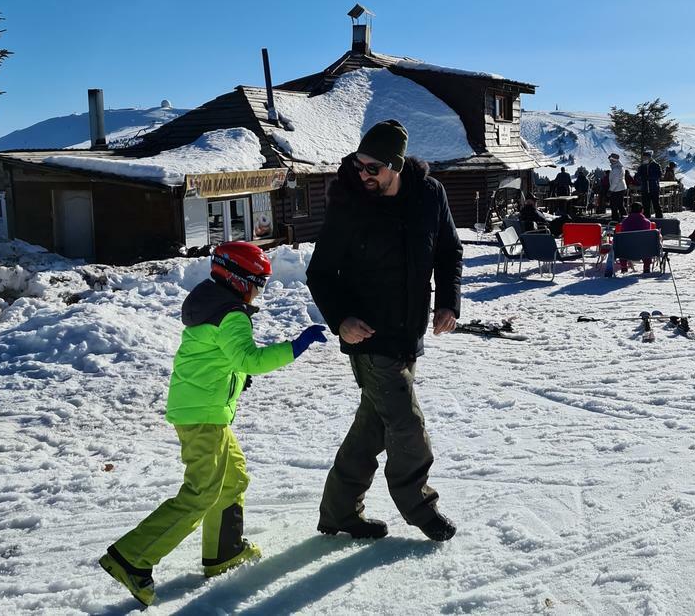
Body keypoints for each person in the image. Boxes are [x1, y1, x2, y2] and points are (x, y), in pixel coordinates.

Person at [99, 242, 328, 607]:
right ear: (237, 279)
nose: (259, 291)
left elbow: (216, 356)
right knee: (202, 491)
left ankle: (223, 552)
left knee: (233, 476)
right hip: (202, 416)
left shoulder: (211, 304)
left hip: (202, 411)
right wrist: (294, 347)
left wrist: (232, 373)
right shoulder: (231, 314)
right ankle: (131, 558)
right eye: (258, 282)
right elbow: (249, 358)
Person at [306, 119, 462, 543]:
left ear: (395, 166)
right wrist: (340, 319)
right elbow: (320, 273)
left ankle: (339, 512)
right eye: (359, 165)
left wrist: (449, 302)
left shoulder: (430, 195)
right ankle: (421, 508)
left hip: (408, 331)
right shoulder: (349, 202)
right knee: (407, 423)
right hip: (367, 336)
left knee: (372, 427)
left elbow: (449, 251)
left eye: (372, 168)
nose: (362, 174)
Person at [616, 202, 655, 274]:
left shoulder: (625, 222)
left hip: (627, 251)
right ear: (642, 210)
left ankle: (624, 267)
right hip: (643, 251)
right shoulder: (647, 222)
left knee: (622, 244)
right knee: (647, 243)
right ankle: (646, 267)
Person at [637, 151, 664, 219]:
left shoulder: (655, 165)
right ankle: (646, 220)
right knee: (646, 206)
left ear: (650, 157)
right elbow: (638, 176)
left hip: (654, 188)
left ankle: (659, 219)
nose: (644, 158)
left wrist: (649, 177)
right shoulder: (641, 166)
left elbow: (659, 175)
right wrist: (640, 178)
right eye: (643, 157)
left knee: (656, 204)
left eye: (646, 157)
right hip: (645, 188)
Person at [608, 153, 627, 222]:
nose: (609, 161)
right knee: (620, 205)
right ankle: (624, 219)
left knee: (614, 205)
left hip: (617, 189)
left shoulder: (616, 169)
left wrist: (610, 190)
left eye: (610, 159)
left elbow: (615, 181)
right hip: (620, 188)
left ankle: (615, 220)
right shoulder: (618, 167)